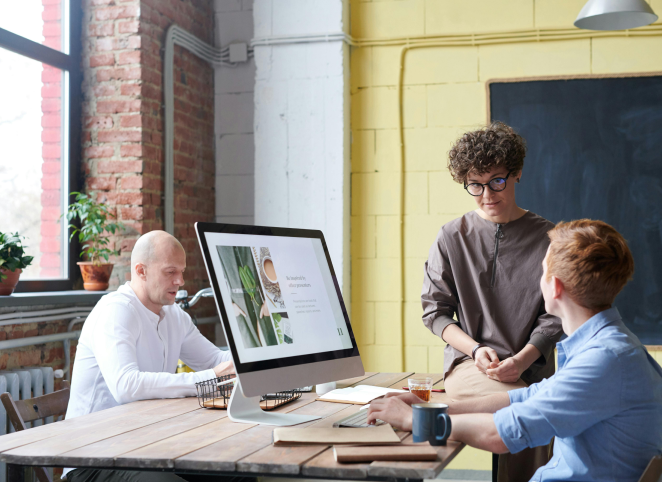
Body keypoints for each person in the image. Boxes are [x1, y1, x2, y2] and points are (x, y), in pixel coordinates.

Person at [369, 219, 662, 482]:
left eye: (542, 270)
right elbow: (525, 397)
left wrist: (412, 420)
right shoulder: (606, 346)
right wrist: (430, 405)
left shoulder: (604, 360)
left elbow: (500, 435)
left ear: (555, 287)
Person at [422, 121, 563, 480]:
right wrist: (474, 350)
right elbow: (435, 313)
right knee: (527, 415)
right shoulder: (452, 236)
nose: (487, 194)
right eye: (475, 185)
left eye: (497, 181)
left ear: (516, 174)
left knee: (537, 417)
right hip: (472, 364)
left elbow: (556, 316)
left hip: (532, 365)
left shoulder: (548, 238)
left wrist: (523, 358)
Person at [64, 231, 235, 482]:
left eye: (182, 272)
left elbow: (215, 361)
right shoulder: (116, 311)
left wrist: (259, 358)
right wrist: (209, 378)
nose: (180, 281)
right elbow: (126, 386)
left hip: (147, 447)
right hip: (93, 457)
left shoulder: (173, 314)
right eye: (170, 272)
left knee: (235, 472)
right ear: (141, 271)